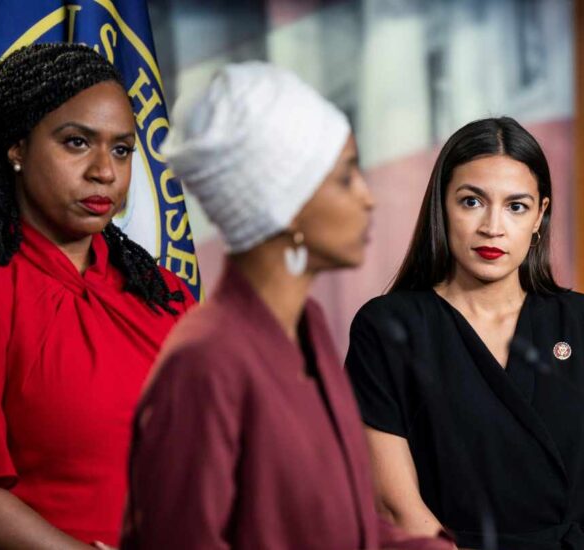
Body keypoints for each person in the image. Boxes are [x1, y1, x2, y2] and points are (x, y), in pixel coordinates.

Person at [120, 62, 452, 550]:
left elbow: (341, 530)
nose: (367, 198)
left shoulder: (309, 327)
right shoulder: (206, 362)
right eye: (344, 178)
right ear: (285, 204)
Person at [0, 43, 193, 549]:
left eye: (121, 149)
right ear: (17, 148)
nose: (104, 171)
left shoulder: (168, 297)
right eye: (77, 143)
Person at [345, 117, 584, 550]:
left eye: (516, 206)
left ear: (540, 215)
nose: (493, 226)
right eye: (471, 202)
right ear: (441, 206)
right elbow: (396, 506)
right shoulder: (388, 328)